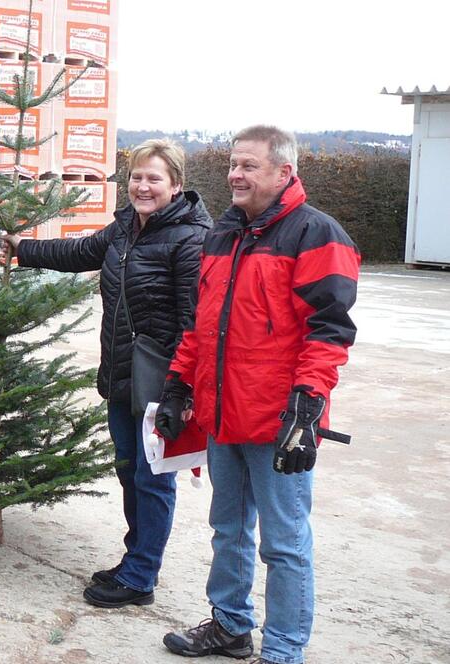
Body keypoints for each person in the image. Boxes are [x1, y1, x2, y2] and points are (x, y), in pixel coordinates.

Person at [158, 126, 360, 664]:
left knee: (285, 544)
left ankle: (284, 650)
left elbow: (329, 331)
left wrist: (308, 403)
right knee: (228, 531)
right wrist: (179, 382)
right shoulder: (221, 236)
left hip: (278, 422)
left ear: (283, 173)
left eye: (248, 165)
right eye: (232, 164)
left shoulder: (317, 235)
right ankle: (229, 626)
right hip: (224, 416)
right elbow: (201, 326)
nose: (235, 175)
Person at [1, 139, 212, 608]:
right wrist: (23, 248)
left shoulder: (190, 238)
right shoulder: (124, 228)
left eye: (154, 178)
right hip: (121, 372)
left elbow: (193, 320)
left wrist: (181, 390)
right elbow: (79, 253)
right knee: (129, 470)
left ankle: (141, 576)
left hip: (161, 379)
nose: (143, 186)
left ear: (176, 185)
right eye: (137, 176)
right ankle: (135, 558)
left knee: (153, 476)